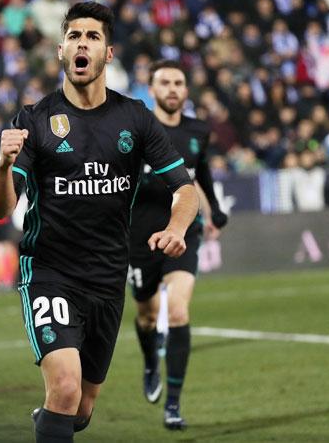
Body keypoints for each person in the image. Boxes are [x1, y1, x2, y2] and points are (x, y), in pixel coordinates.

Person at [0, 2, 199, 443]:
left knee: (80, 410)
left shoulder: (136, 118)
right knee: (65, 387)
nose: (82, 43)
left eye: (93, 36)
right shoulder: (35, 119)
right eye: (73, 36)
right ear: (61, 51)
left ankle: (50, 421)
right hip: (50, 272)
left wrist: (177, 228)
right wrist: (5, 165)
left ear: (108, 53)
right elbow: (2, 208)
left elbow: (185, 189)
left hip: (107, 277)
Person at [129, 60, 228, 430]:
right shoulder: (137, 130)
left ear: (186, 90)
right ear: (151, 90)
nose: (172, 88)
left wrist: (214, 210)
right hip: (139, 236)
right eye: (164, 82)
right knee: (147, 315)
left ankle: (173, 404)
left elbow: (200, 172)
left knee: (179, 313)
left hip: (184, 229)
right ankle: (151, 362)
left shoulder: (198, 131)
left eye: (179, 83)